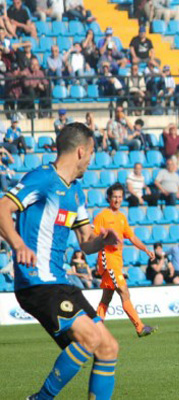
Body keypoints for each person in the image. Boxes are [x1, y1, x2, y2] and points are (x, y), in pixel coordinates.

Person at [0, 122, 119, 399]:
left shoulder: (76, 192)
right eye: (91, 153)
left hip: (60, 283)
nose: (91, 160)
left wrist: (103, 240)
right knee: (89, 339)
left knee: (108, 347)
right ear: (81, 151)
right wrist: (18, 245)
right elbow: (2, 209)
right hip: (36, 282)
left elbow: (86, 243)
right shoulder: (42, 179)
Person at [94, 183, 156, 336]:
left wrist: (145, 249)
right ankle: (139, 327)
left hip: (117, 262)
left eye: (120, 197)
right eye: (114, 196)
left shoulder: (121, 217)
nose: (117, 199)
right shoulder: (102, 216)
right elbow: (93, 237)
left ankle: (95, 328)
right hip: (108, 261)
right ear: (109, 198)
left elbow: (131, 236)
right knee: (124, 291)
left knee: (106, 297)